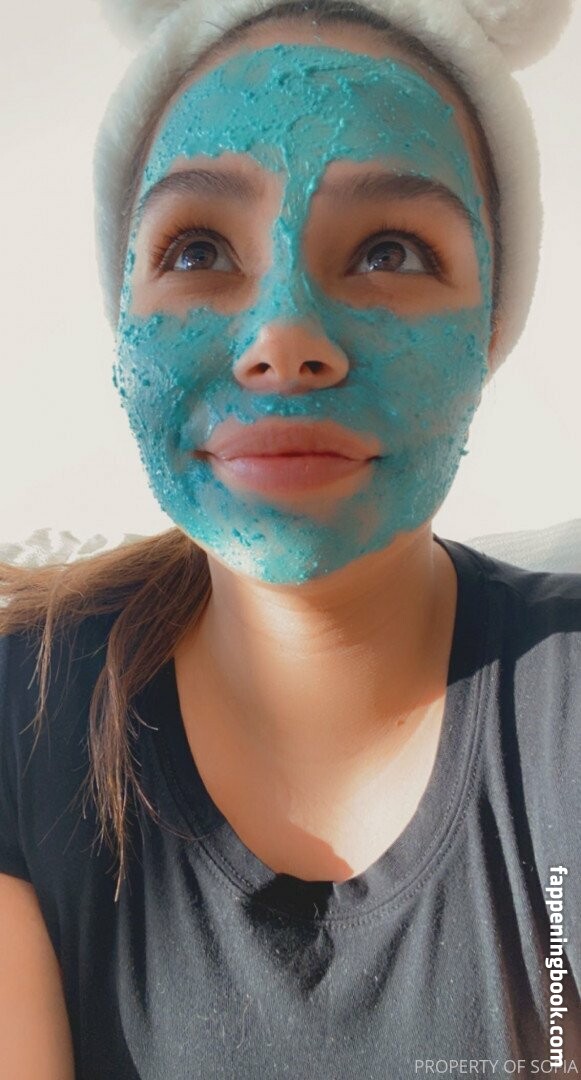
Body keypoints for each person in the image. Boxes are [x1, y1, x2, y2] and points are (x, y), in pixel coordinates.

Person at [0, 0, 579, 1076]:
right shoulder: (15, 715)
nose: (283, 339)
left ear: (490, 327)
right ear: (124, 318)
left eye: (390, 251)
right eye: (198, 248)